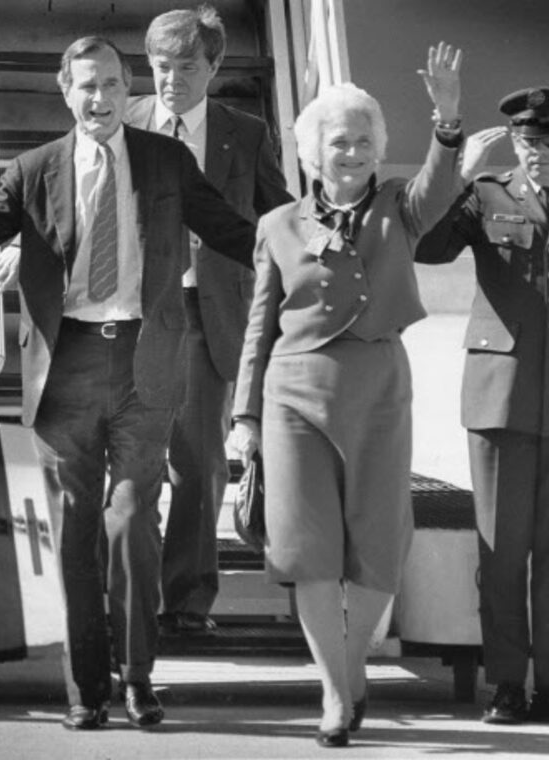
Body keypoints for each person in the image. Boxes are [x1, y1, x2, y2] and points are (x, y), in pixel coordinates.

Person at [0, 37, 257, 731]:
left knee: (132, 519)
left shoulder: (166, 159)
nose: (98, 99)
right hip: (66, 366)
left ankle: (138, 677)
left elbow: (228, 228)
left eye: (109, 84)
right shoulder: (35, 168)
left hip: (145, 361)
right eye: (85, 87)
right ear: (63, 91)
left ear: (125, 86)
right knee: (73, 530)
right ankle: (86, 688)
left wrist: (298, 240)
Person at [230, 42, 464, 747]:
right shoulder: (277, 226)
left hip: (379, 391)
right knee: (308, 550)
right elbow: (258, 326)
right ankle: (337, 694)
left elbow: (438, 184)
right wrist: (243, 415)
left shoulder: (401, 207)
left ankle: (349, 667)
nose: (354, 152)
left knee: (377, 546)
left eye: (365, 141)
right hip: (294, 395)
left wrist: (447, 121)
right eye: (340, 142)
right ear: (312, 152)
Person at [415, 87, 549, 727]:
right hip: (500, 396)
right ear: (511, 143)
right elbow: (424, 246)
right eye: (525, 143)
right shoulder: (485, 193)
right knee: (502, 548)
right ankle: (507, 685)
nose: (538, 155)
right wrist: (458, 168)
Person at [124, 5, 293, 635]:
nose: (171, 81)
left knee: (197, 463)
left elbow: (277, 217)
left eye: (186, 68)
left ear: (215, 67)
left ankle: (187, 604)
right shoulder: (126, 120)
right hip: (136, 311)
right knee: (134, 461)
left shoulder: (244, 134)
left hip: (209, 311)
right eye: (161, 68)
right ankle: (130, 597)